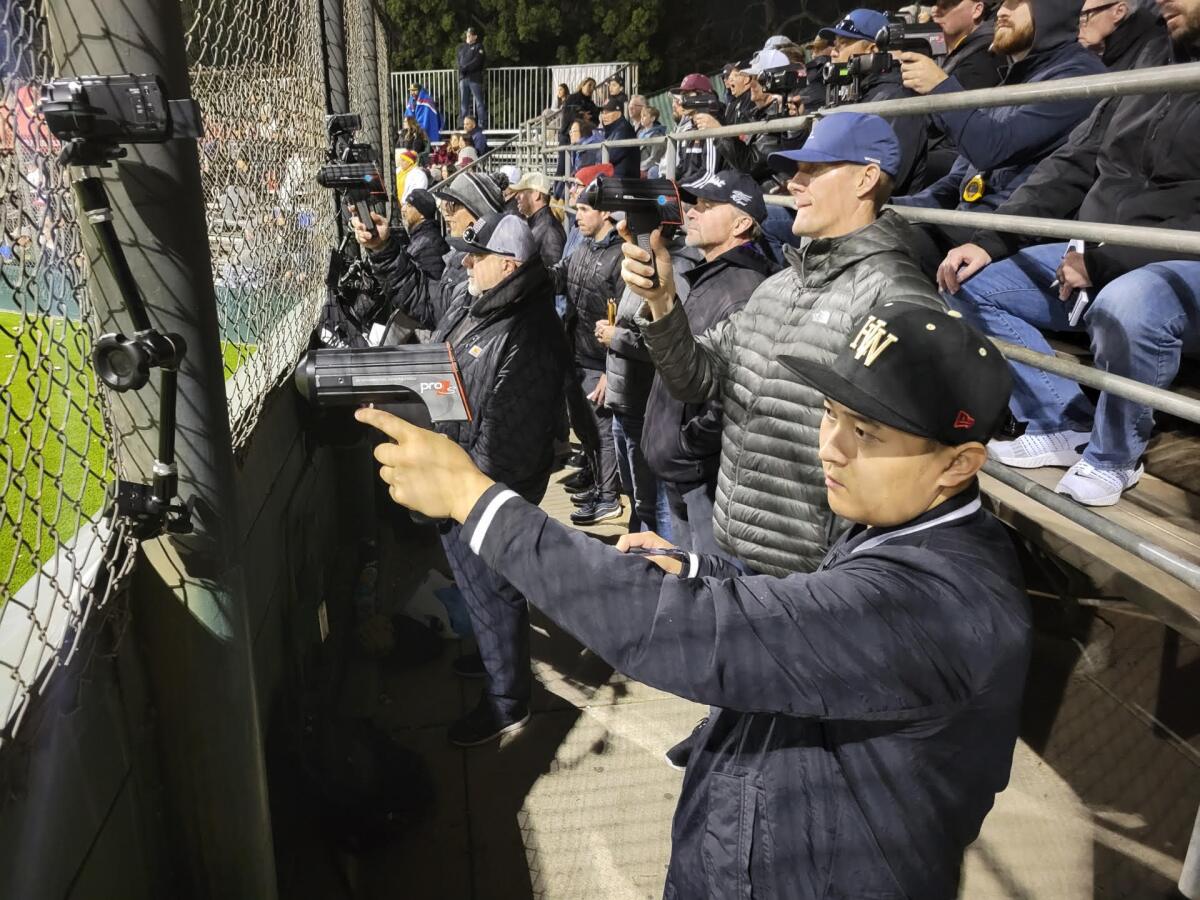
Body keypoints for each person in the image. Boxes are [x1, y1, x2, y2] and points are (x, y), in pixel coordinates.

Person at [357, 304, 1031, 900]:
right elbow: (813, 609)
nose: (831, 447)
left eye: (869, 435)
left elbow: (704, 635)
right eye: (832, 414)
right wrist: (700, 565)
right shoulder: (908, 519)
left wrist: (479, 505)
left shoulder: (940, 605)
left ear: (958, 464)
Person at [625, 113, 943, 576]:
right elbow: (695, 378)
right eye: (795, 171)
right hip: (735, 554)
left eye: (813, 170)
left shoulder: (897, 296)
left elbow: (906, 467)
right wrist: (662, 301)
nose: (793, 184)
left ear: (866, 179)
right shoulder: (777, 288)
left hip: (810, 580)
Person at [936, 0, 1199, 506]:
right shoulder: (1151, 57)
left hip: (1175, 261)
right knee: (964, 279)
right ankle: (1064, 420)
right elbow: (1076, 160)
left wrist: (1108, 258)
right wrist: (992, 239)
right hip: (1102, 253)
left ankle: (1113, 458)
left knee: (1129, 301)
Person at [357, 209, 568, 746]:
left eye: (477, 254)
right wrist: (383, 250)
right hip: (455, 473)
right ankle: (499, 659)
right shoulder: (479, 297)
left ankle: (508, 701)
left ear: (509, 265)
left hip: (479, 487)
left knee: (494, 585)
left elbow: (509, 449)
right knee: (479, 587)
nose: (465, 261)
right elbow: (423, 299)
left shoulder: (531, 331)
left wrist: (458, 491)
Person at [894, 0, 1107, 258]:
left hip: (1010, 240)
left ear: (1053, 10)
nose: (1002, 13)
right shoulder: (1013, 79)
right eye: (1002, 4)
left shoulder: (1079, 76)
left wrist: (942, 88)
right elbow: (957, 181)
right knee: (871, 227)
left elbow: (992, 149)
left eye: (1016, 3)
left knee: (889, 247)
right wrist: (894, 207)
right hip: (968, 224)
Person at [642, 171, 776, 557]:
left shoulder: (744, 288)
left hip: (705, 478)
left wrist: (690, 443)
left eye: (707, 205)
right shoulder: (714, 274)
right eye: (694, 203)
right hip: (685, 470)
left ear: (742, 222)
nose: (692, 212)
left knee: (709, 590)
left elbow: (741, 390)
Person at [593, 220, 701, 537]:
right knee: (639, 495)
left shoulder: (676, 269)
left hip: (646, 402)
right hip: (623, 396)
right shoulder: (642, 260)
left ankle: (658, 567)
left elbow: (665, 343)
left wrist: (617, 338)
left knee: (657, 502)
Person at [550, 163, 626, 526]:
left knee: (602, 431)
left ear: (606, 211)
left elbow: (626, 321)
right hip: (577, 355)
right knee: (585, 427)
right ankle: (597, 483)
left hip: (601, 362)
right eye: (576, 208)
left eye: (583, 209)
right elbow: (562, 280)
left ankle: (609, 497)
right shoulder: (583, 248)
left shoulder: (620, 256)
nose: (576, 214)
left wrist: (612, 372)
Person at [818, 8, 929, 193]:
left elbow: (886, 178)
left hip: (880, 212)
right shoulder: (861, 92)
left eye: (842, 45)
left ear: (872, 50)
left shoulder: (895, 95)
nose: (833, 53)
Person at [917, 0, 1006, 181]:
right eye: (934, 4)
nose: (936, 10)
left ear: (977, 9)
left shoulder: (987, 53)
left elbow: (949, 124)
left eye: (946, 4)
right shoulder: (956, 51)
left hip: (961, 157)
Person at [1079, 0, 1167, 67]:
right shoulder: (1111, 53)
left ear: (1119, 12)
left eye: (1084, 15)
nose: (1079, 26)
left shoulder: (1152, 53)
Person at [670, 74, 722, 188]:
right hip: (690, 188)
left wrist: (679, 188)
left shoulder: (710, 126)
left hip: (704, 192)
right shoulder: (688, 130)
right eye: (681, 96)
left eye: (687, 95)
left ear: (702, 96)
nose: (680, 101)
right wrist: (666, 184)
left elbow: (708, 174)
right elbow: (682, 168)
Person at [512, 172, 565, 268]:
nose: (516, 196)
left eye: (521, 192)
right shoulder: (539, 224)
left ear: (536, 195)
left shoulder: (549, 231)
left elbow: (552, 277)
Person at [598, 97, 638, 178]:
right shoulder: (612, 129)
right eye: (602, 113)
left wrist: (600, 155)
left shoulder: (624, 129)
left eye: (607, 112)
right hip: (614, 179)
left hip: (623, 182)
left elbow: (610, 156)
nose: (604, 116)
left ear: (618, 113)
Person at [457, 26, 487, 128]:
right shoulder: (462, 48)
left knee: (479, 102)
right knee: (463, 104)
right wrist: (462, 68)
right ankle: (462, 124)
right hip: (463, 78)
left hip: (474, 79)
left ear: (475, 36)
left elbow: (477, 62)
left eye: (470, 35)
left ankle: (481, 124)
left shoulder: (479, 47)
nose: (468, 37)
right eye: (467, 35)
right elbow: (460, 61)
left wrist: (466, 68)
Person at [637, 106, 668, 177]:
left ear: (652, 118)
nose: (641, 118)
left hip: (649, 168)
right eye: (641, 116)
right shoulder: (640, 133)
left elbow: (655, 158)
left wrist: (639, 167)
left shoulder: (657, 136)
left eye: (644, 116)